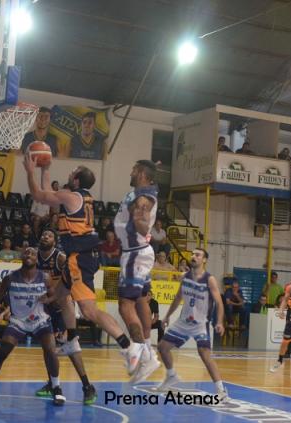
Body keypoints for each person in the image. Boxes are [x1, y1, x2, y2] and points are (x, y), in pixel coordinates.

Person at [23, 154, 144, 377]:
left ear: (77, 180)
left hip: (80, 259)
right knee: (61, 296)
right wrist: (45, 169)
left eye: (73, 172)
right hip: (81, 255)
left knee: (89, 310)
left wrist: (30, 170)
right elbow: (49, 194)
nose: (70, 173)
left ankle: (129, 348)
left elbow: (40, 195)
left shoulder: (71, 197)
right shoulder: (81, 197)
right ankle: (71, 339)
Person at [0, 247, 67, 406]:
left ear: (37, 259)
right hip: (18, 321)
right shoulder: (10, 278)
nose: (29, 255)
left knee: (51, 351)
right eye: (26, 252)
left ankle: (56, 388)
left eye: (33, 253)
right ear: (21, 256)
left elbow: (54, 299)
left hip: (40, 321)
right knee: (2, 352)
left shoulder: (45, 277)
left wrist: (51, 299)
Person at [33, 229, 97, 404]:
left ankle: (87, 386)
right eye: (43, 234)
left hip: (62, 306)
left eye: (49, 235)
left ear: (54, 242)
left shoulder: (60, 258)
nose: (45, 236)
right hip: (46, 308)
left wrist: (59, 298)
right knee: (47, 347)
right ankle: (52, 384)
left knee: (72, 348)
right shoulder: (34, 257)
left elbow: (70, 284)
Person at [157, 248, 228, 401]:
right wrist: (167, 316)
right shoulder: (185, 277)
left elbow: (219, 303)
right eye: (193, 254)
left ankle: (221, 390)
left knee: (204, 354)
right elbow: (178, 298)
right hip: (183, 322)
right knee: (162, 347)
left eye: (198, 255)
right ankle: (171, 376)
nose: (193, 256)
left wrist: (219, 322)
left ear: (204, 260)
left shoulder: (209, 279)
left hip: (200, 323)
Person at [114, 159, 161, 384]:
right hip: (137, 251)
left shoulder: (144, 196)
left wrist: (139, 217)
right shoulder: (140, 193)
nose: (131, 172)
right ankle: (148, 353)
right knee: (141, 300)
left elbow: (142, 224)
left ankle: (138, 350)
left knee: (125, 305)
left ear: (142, 173)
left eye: (134, 169)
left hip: (135, 253)